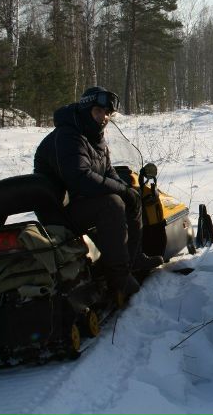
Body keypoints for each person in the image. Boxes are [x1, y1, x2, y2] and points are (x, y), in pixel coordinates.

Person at [34, 86, 164, 301]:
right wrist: (121, 191)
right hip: (58, 211)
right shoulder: (68, 136)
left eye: (107, 113)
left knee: (133, 196)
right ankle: (118, 276)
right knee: (112, 204)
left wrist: (128, 190)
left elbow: (108, 171)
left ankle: (134, 258)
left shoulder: (93, 136)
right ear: (86, 110)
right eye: (98, 111)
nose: (103, 117)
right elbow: (80, 178)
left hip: (79, 201)